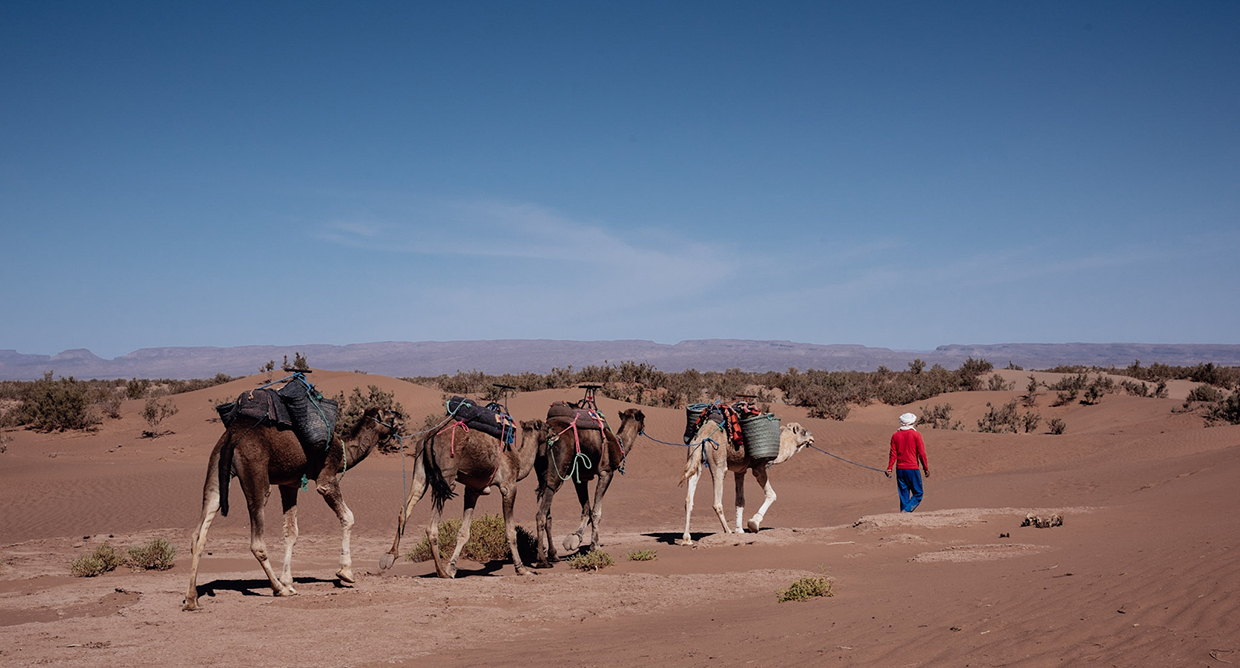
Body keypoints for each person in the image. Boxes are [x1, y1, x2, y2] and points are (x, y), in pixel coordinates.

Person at [885, 412, 929, 512]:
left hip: (900, 469)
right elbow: (921, 453)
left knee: (904, 494)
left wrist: (889, 468)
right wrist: (925, 468)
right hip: (912, 468)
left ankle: (904, 512)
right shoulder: (916, 435)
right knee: (918, 493)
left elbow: (893, 454)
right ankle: (906, 511)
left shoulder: (895, 436)